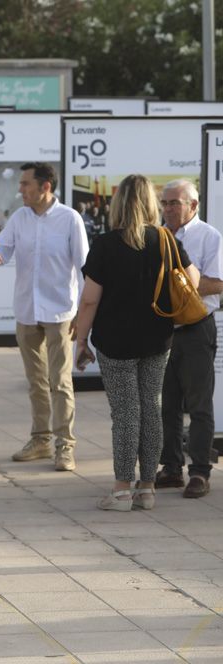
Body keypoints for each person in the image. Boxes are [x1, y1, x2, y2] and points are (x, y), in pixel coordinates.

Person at [75, 175, 199, 511]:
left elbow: (89, 300)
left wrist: (81, 339)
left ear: (118, 203)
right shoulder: (164, 239)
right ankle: (147, 489)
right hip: (158, 337)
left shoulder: (105, 244)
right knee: (151, 409)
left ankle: (120, 490)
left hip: (115, 341)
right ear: (150, 203)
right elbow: (192, 280)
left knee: (126, 413)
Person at [0, 162, 88, 472]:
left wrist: (83, 314)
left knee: (61, 382)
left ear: (45, 187)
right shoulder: (20, 218)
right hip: (27, 312)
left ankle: (65, 445)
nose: (20, 189)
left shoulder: (70, 220)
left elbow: (84, 269)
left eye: (26, 183)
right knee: (36, 383)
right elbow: (1, 252)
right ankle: (40, 440)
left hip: (60, 312)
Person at [155, 179, 223, 498]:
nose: (168, 208)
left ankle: (199, 472)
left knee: (198, 403)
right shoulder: (155, 235)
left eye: (174, 203)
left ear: (193, 205)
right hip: (161, 330)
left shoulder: (208, 236)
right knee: (166, 404)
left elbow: (217, 283)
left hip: (196, 328)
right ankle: (170, 467)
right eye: (165, 203)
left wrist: (177, 287)